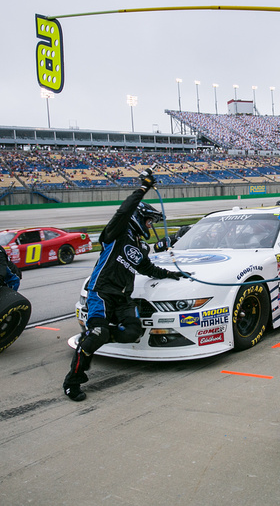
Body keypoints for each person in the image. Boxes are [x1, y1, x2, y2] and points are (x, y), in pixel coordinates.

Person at [63, 169, 186, 402]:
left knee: (132, 333)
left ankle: (98, 337)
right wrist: (143, 188)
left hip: (123, 299)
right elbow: (123, 211)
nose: (150, 225)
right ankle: (72, 382)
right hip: (101, 292)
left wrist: (172, 275)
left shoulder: (140, 247)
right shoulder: (116, 233)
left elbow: (148, 269)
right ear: (139, 217)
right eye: (149, 220)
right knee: (97, 334)